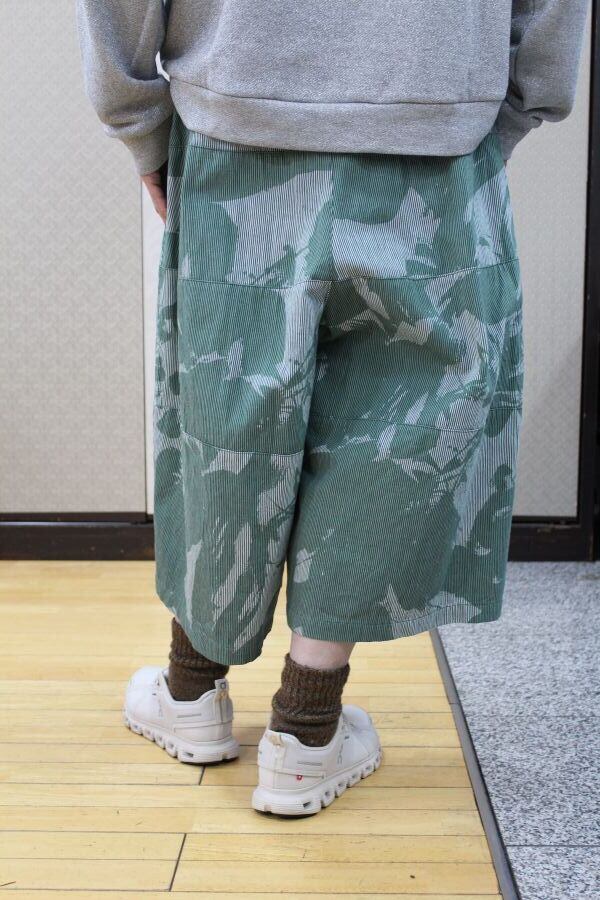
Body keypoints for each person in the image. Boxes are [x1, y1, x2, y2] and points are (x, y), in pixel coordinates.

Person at [76, 0, 588, 816]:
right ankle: (306, 732)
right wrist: (516, 101)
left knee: (229, 412)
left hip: (240, 126)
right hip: (434, 135)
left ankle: (191, 690)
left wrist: (138, 121)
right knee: (401, 429)